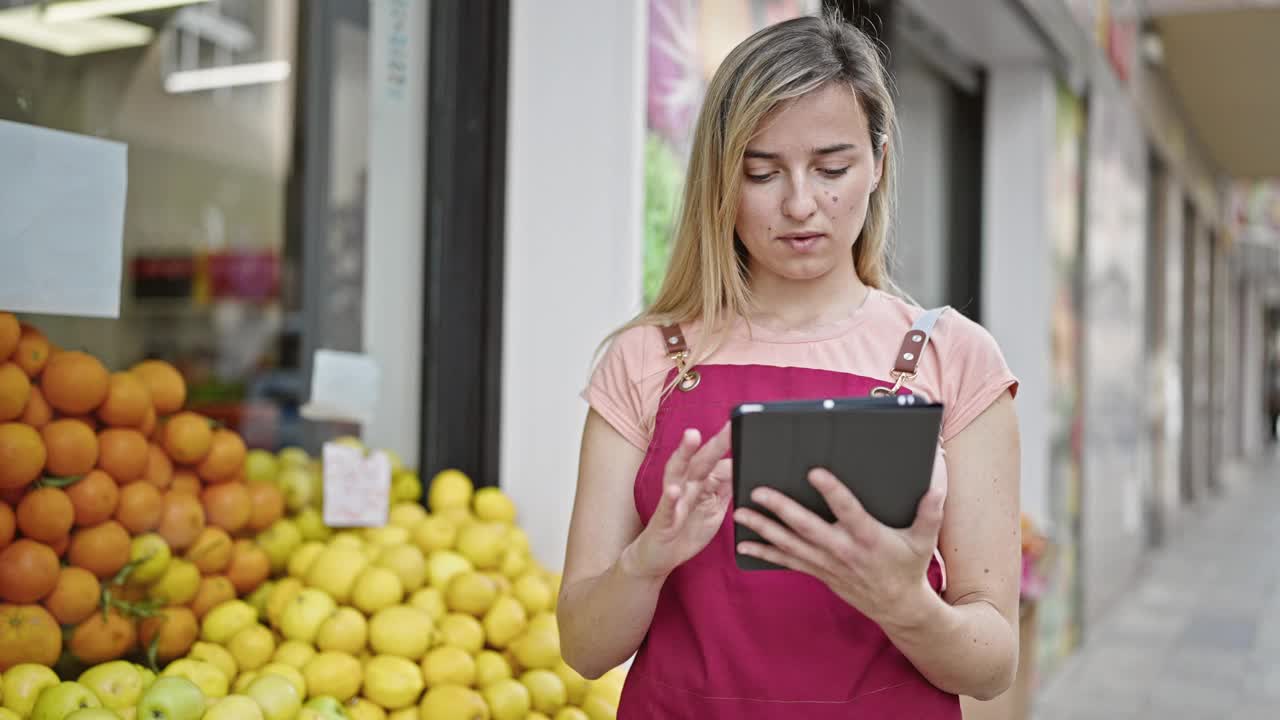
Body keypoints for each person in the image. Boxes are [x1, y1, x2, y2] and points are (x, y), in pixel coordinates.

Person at [557, 11, 1021, 719]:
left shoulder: (952, 358)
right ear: (720, 181)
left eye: (832, 168)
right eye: (762, 172)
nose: (801, 204)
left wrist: (904, 604)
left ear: (878, 164)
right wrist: (650, 557)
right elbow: (585, 648)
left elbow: (992, 666)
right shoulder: (646, 359)